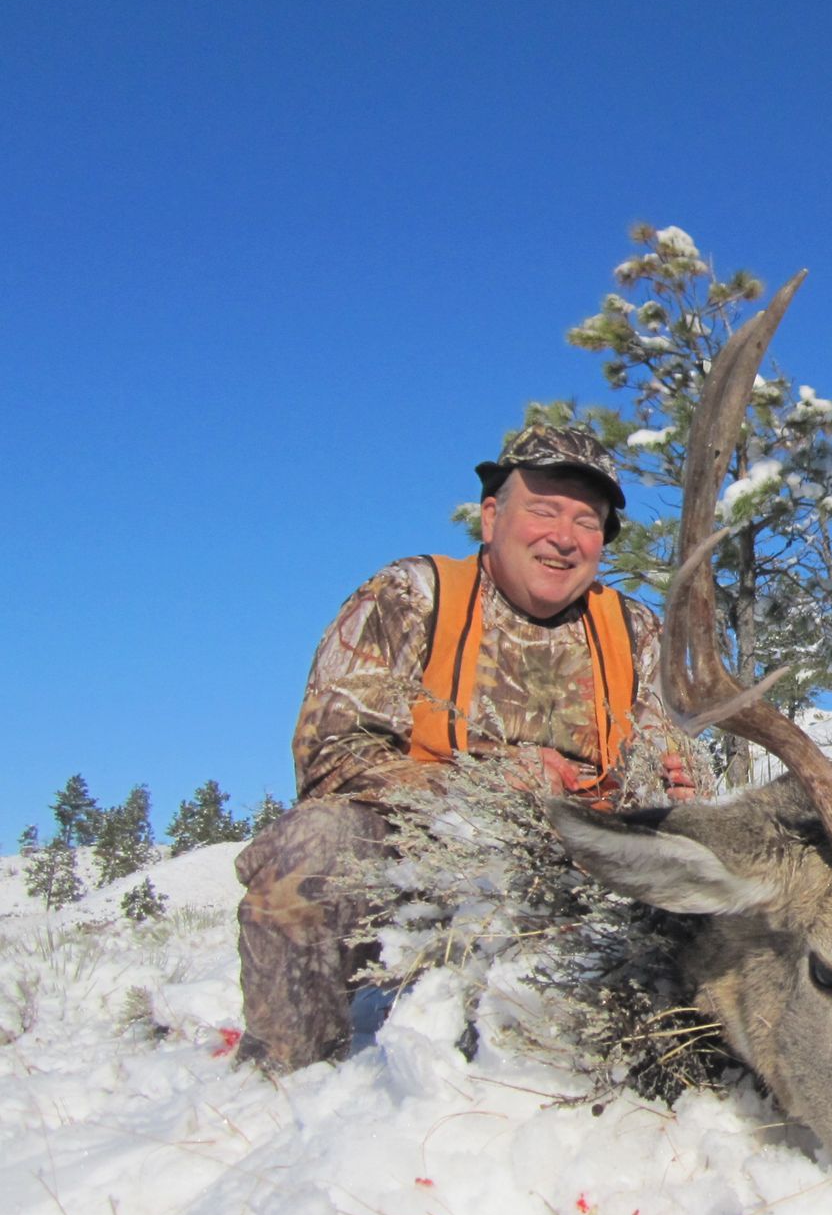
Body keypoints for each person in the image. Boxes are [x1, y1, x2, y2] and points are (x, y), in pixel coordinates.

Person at [235, 425, 704, 1071]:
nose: (564, 537)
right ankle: (289, 1082)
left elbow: (658, 751)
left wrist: (679, 786)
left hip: (582, 865)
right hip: (423, 860)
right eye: (543, 510)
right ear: (491, 516)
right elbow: (331, 756)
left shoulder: (633, 629)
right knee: (309, 852)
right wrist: (482, 785)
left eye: (587, 521)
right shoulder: (410, 598)